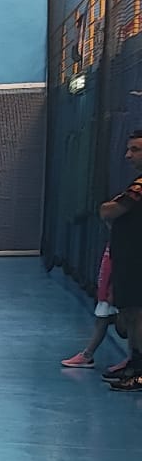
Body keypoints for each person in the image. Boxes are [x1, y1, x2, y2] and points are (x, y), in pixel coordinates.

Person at [98, 131, 142, 391]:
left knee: (138, 315)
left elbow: (110, 210)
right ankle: (134, 365)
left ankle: (140, 370)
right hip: (128, 260)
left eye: (135, 150)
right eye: (128, 149)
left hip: (137, 261)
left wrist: (108, 211)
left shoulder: (139, 187)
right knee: (131, 314)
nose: (128, 155)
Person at [61, 243, 120, 369]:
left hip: (116, 287)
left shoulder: (125, 241)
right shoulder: (113, 242)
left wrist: (113, 289)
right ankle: (87, 355)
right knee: (102, 319)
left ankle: (133, 360)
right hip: (107, 287)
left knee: (127, 323)